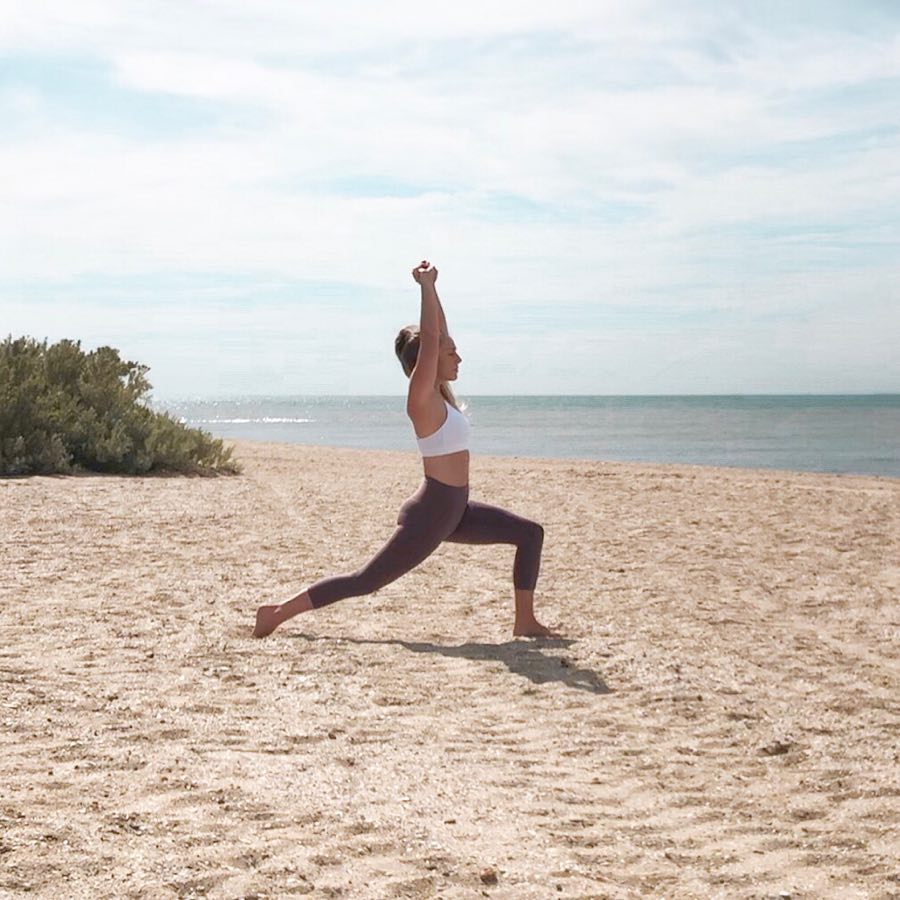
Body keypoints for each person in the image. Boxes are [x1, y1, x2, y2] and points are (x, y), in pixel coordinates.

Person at [252, 260, 557, 639]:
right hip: (432, 513)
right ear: (424, 364)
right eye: (451, 353)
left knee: (530, 534)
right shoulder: (422, 398)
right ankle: (276, 613)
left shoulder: (442, 398)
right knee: (365, 581)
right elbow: (432, 338)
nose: (458, 358)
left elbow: (438, 334)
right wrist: (425, 288)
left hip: (455, 508)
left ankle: (524, 622)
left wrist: (436, 290)